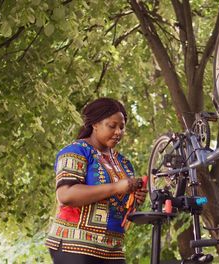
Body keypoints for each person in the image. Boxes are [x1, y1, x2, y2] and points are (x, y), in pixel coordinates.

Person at [45, 98, 147, 264]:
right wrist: (116, 187)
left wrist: (135, 198)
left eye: (122, 127)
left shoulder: (124, 163)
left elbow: (121, 207)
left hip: (112, 249)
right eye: (112, 126)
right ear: (95, 124)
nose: (118, 132)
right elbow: (65, 195)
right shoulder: (75, 152)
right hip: (75, 245)